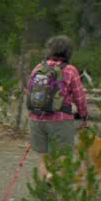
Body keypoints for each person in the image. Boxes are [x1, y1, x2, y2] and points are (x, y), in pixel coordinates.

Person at [26, 35, 89, 181]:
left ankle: (45, 192)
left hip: (37, 119)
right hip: (60, 121)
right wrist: (83, 115)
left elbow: (29, 91)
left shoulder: (39, 67)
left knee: (44, 159)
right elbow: (80, 97)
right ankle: (56, 191)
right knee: (62, 159)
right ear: (68, 52)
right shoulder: (70, 70)